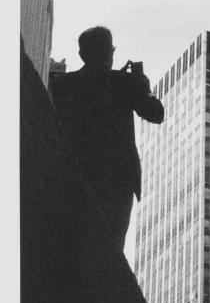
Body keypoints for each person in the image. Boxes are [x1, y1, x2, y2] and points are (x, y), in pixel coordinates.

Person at [50, 26, 164, 249]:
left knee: (76, 244)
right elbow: (156, 113)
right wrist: (144, 88)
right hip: (118, 179)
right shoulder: (125, 83)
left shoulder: (63, 86)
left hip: (76, 173)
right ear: (110, 52)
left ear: (82, 55)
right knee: (111, 248)